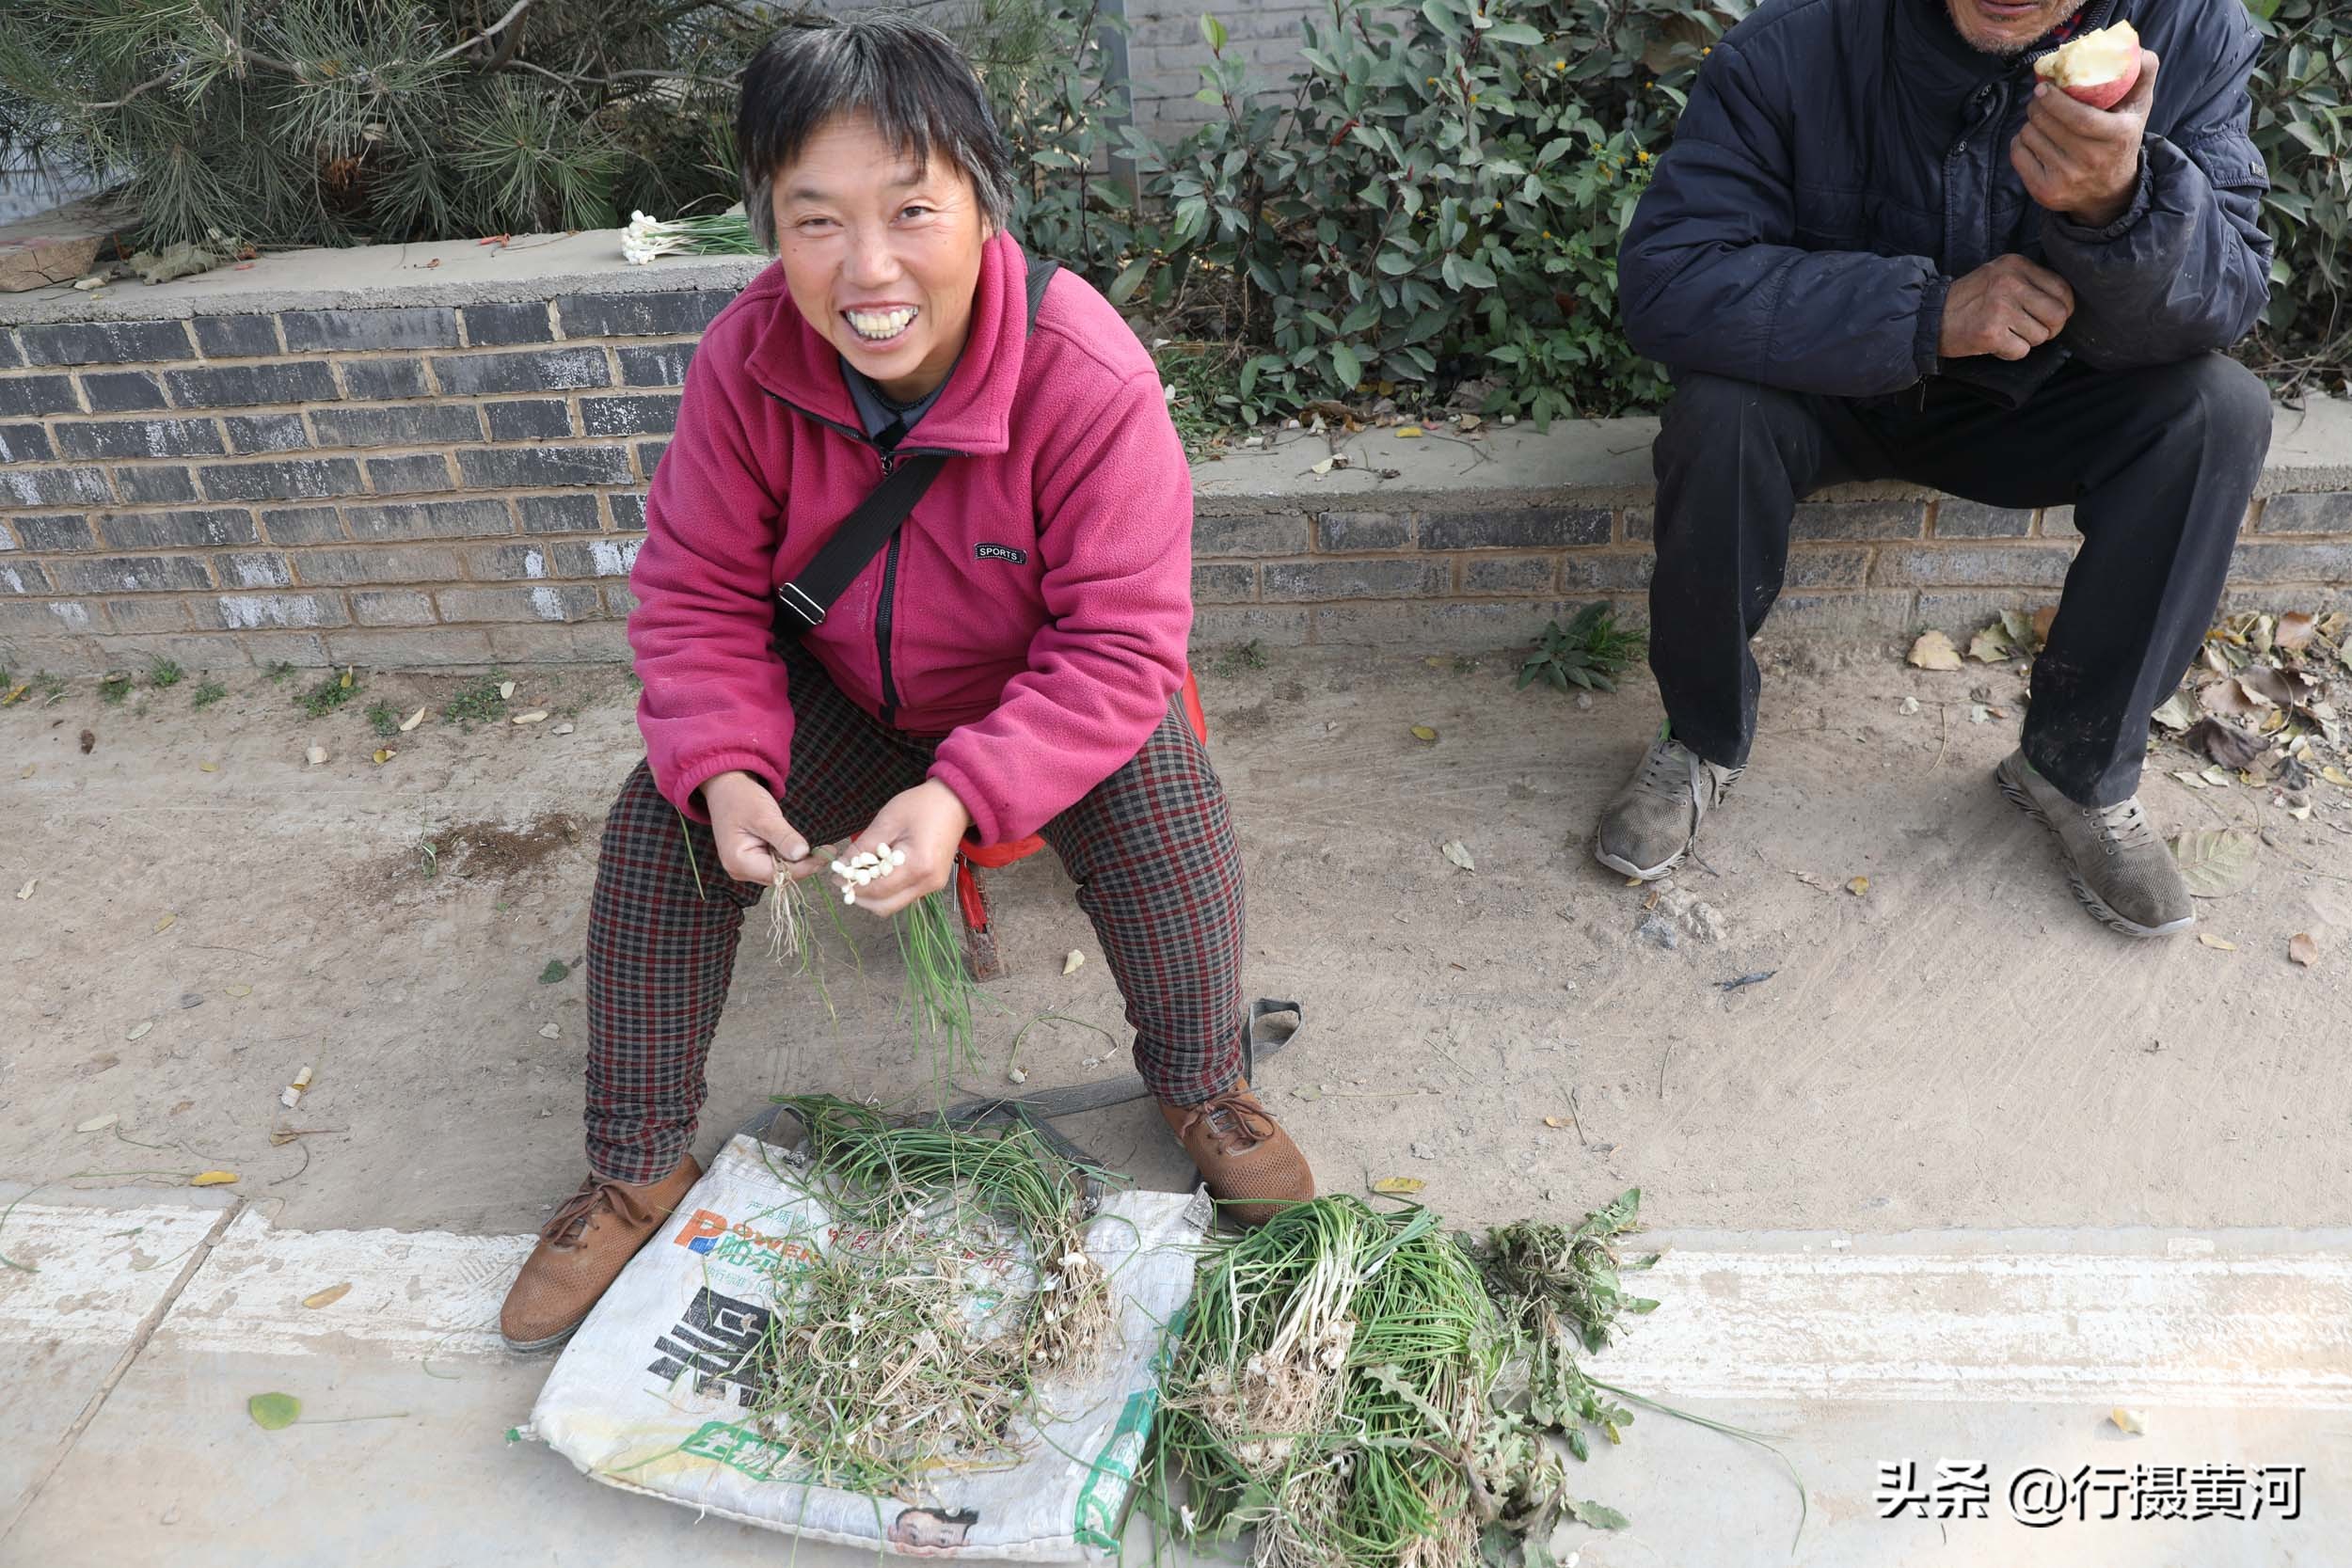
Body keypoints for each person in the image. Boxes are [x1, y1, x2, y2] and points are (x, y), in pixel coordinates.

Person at [499, 15, 1313, 1353]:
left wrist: (963, 792)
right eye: (814, 220)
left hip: (1029, 699)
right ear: (771, 226)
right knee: (662, 813)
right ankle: (637, 1161)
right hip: (838, 694)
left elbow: (1121, 645)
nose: (866, 270)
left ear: (984, 202)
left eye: (911, 211)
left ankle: (1206, 1087)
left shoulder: (1085, 372)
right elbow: (698, 595)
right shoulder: (743, 366)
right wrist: (730, 765)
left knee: (1163, 782)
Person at [1601, 0, 2273, 937]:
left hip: (2043, 395)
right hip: (1827, 385)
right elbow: (1667, 279)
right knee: (1716, 414)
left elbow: (2225, 300)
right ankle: (1700, 737)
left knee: (2219, 411)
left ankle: (2075, 769)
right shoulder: (1796, 40)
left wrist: (2119, 210)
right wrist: (1922, 314)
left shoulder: (2191, 34)